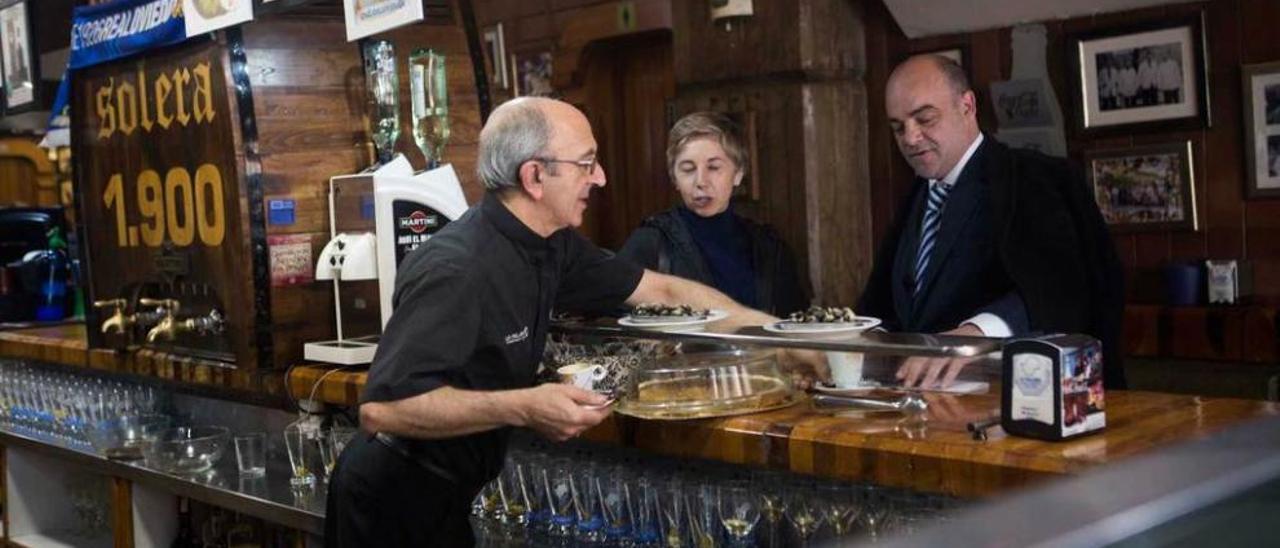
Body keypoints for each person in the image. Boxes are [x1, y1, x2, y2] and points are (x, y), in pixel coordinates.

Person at [324, 97, 792, 546]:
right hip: (388, 502)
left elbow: (664, 291)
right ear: (534, 176)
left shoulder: (553, 244)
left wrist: (780, 338)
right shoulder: (457, 268)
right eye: (587, 163)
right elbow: (384, 409)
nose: (601, 178)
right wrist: (526, 406)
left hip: (449, 494)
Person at [857, 54, 1125, 390]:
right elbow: (889, 304)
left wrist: (972, 336)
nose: (910, 138)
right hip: (919, 408)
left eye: (924, 119)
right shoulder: (916, 194)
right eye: (898, 127)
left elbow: (1061, 287)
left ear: (967, 106)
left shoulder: (1033, 177)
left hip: (1015, 403)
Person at [618, 112, 809, 316]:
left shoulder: (770, 247)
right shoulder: (651, 241)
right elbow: (615, 319)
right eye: (688, 169)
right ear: (674, 178)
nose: (701, 181)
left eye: (714, 167)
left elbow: (794, 325)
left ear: (738, 174)